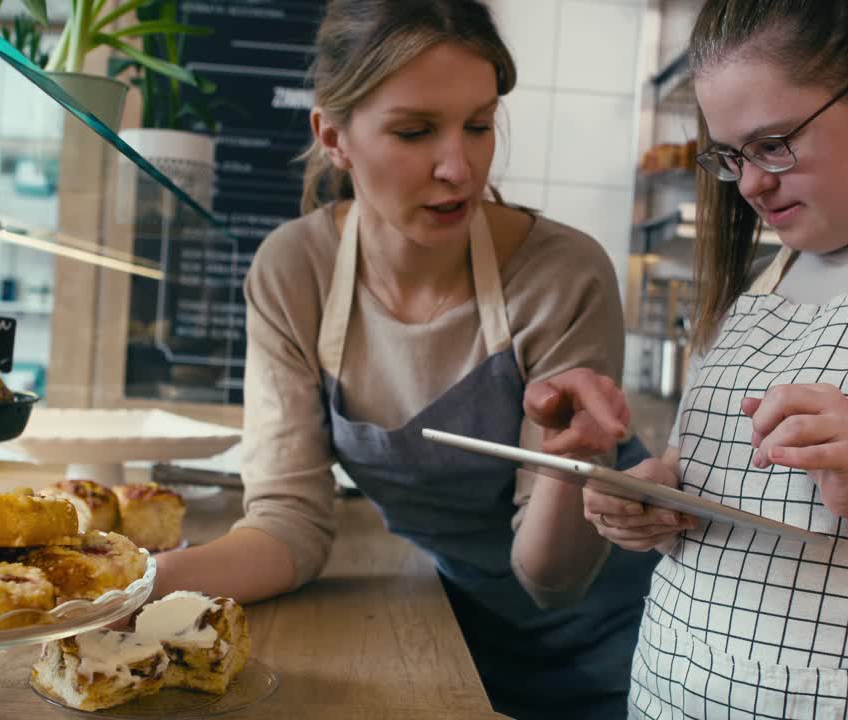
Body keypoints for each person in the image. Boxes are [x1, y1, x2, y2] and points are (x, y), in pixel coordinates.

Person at [530, 0, 848, 717]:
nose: (750, 184)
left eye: (774, 144)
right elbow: (713, 482)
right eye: (731, 156)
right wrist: (655, 496)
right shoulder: (763, 283)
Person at [150, 1, 659, 717]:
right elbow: (289, 525)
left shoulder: (562, 275)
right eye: (415, 131)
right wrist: (128, 584)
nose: (459, 167)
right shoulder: (295, 272)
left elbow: (554, 580)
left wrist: (569, 462)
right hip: (456, 624)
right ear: (333, 136)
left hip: (620, 644)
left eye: (479, 125)